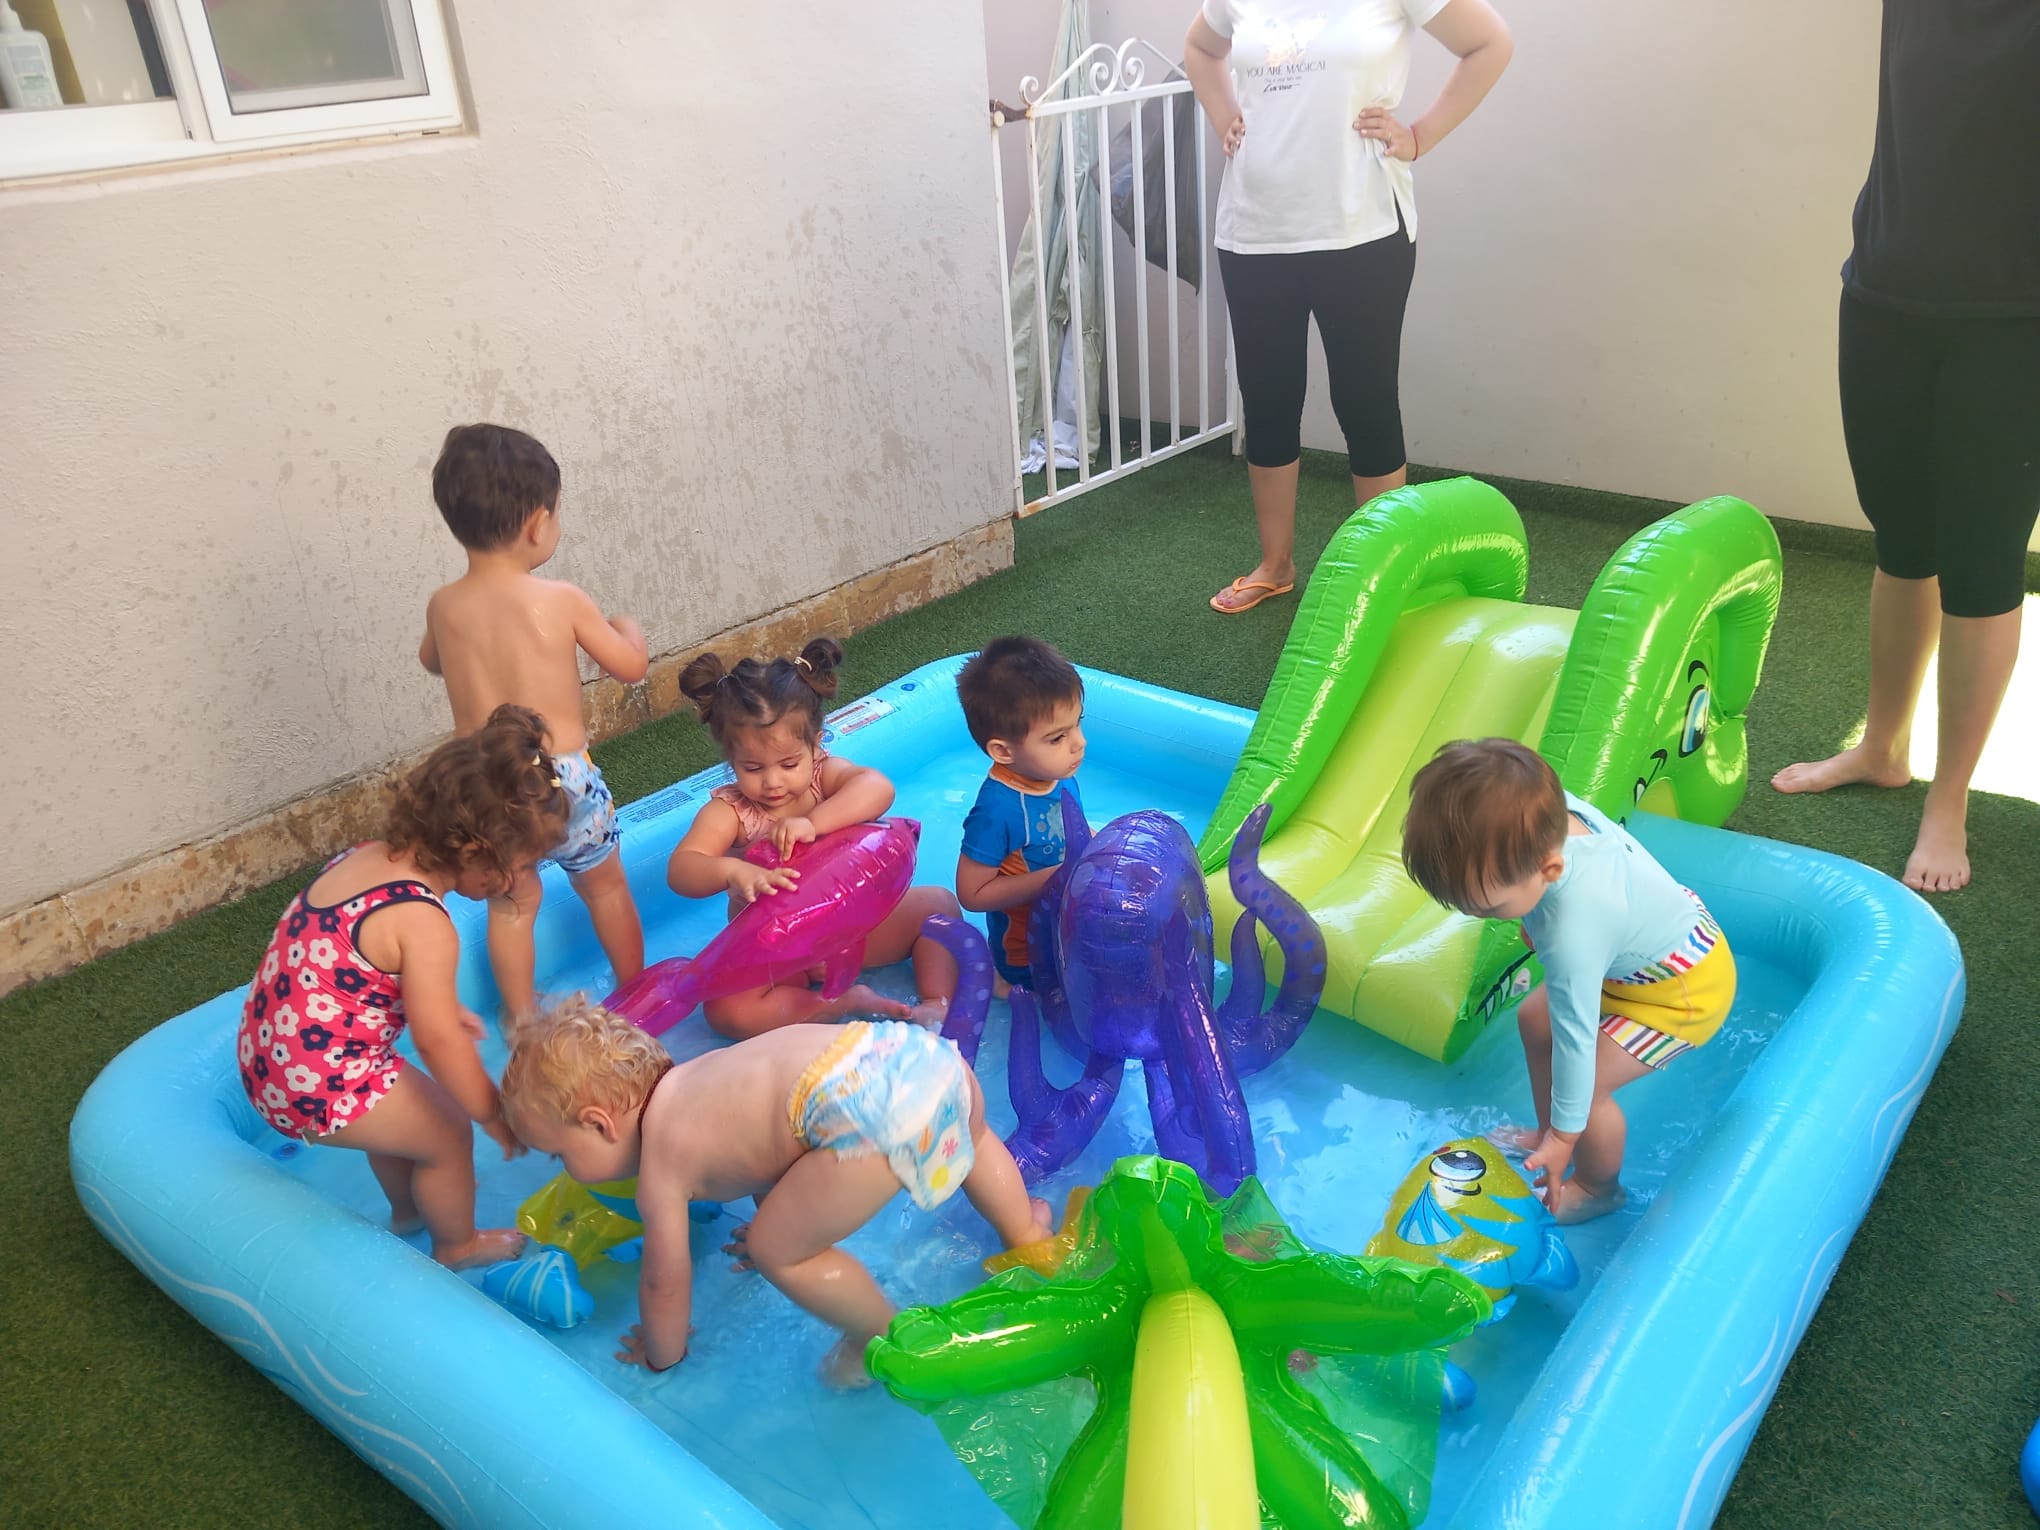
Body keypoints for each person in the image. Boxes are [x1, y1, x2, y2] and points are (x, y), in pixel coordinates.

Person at [1771, 1, 2040, 893]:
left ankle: (1950, 797)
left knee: (1983, 562)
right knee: (1903, 538)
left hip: (2014, 320)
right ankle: (1883, 746)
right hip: (1885, 295)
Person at [500, 996, 1055, 1387]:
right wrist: (784, 1210)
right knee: (973, 1135)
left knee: (776, 1250)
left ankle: (877, 1335)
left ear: (599, 1124)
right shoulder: (699, 1075)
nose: (563, 1169)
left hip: (876, 1116)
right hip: (924, 1060)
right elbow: (778, 1142)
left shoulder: (660, 1171)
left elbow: (664, 1282)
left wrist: (660, 1353)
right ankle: (1027, 1235)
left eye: (558, 1153)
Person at [1184, 0, 1511, 615]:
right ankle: (1274, 566)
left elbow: (1489, 43)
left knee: (1365, 403)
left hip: (1362, 232)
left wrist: (1421, 136)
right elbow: (1202, 49)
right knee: (1269, 398)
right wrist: (1224, 114)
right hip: (1256, 231)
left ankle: (1378, 581)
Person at [234, 705, 560, 1268]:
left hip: (269, 1060)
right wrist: (488, 1111)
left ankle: (408, 1212)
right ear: (475, 853)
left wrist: (433, 1002)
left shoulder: (364, 857)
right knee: (446, 1131)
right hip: (321, 1081)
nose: (521, 882)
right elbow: (436, 1042)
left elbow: (354, 968)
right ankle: (457, 1245)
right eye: (520, 867)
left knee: (404, 1119)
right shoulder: (424, 921)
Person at [1401, 739, 1737, 1224]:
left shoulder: (1573, 932)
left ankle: (1599, 1187)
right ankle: (1547, 1133)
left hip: (1680, 991)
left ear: (1549, 870)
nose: (1480, 917)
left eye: (1490, 908)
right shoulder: (1549, 816)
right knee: (1534, 1020)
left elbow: (1576, 1044)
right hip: (1637, 950)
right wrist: (1524, 908)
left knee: (1583, 1085)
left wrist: (1567, 1136)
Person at [419, 423, 649, 1016]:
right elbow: (629, 666)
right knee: (605, 887)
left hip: (488, 788)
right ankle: (637, 996)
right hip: (561, 781)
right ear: (536, 524)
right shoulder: (561, 599)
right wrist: (627, 627)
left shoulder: (445, 606)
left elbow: (430, 660)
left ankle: (521, 1021)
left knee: (513, 906)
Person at [665, 636, 961, 1036]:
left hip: (853, 930)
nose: (772, 782)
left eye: (789, 763)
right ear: (730, 759)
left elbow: (878, 788)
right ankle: (838, 1003)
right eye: (752, 768)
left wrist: (813, 823)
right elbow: (683, 869)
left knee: (939, 906)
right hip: (780, 953)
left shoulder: (825, 776)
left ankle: (934, 1004)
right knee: (725, 1012)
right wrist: (732, 872)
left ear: (815, 743)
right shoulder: (733, 812)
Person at [952, 637, 1086, 990]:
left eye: (1077, 724)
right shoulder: (997, 810)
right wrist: (1060, 875)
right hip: (1028, 955)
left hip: (1070, 928)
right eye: (1057, 737)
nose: (1079, 742)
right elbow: (972, 894)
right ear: (1003, 750)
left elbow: (1074, 835)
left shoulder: (1058, 774)